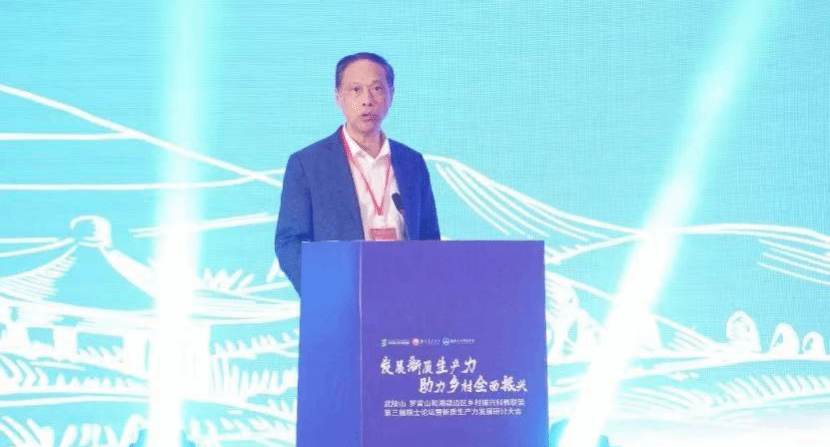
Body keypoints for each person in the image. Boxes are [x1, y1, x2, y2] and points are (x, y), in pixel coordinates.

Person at [275, 52, 441, 294]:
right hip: (342, 298)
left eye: (377, 89)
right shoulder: (308, 164)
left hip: (406, 297)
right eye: (356, 90)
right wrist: (321, 293)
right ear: (338, 97)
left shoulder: (412, 162)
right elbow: (289, 242)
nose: (367, 100)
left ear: (391, 95)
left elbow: (429, 238)